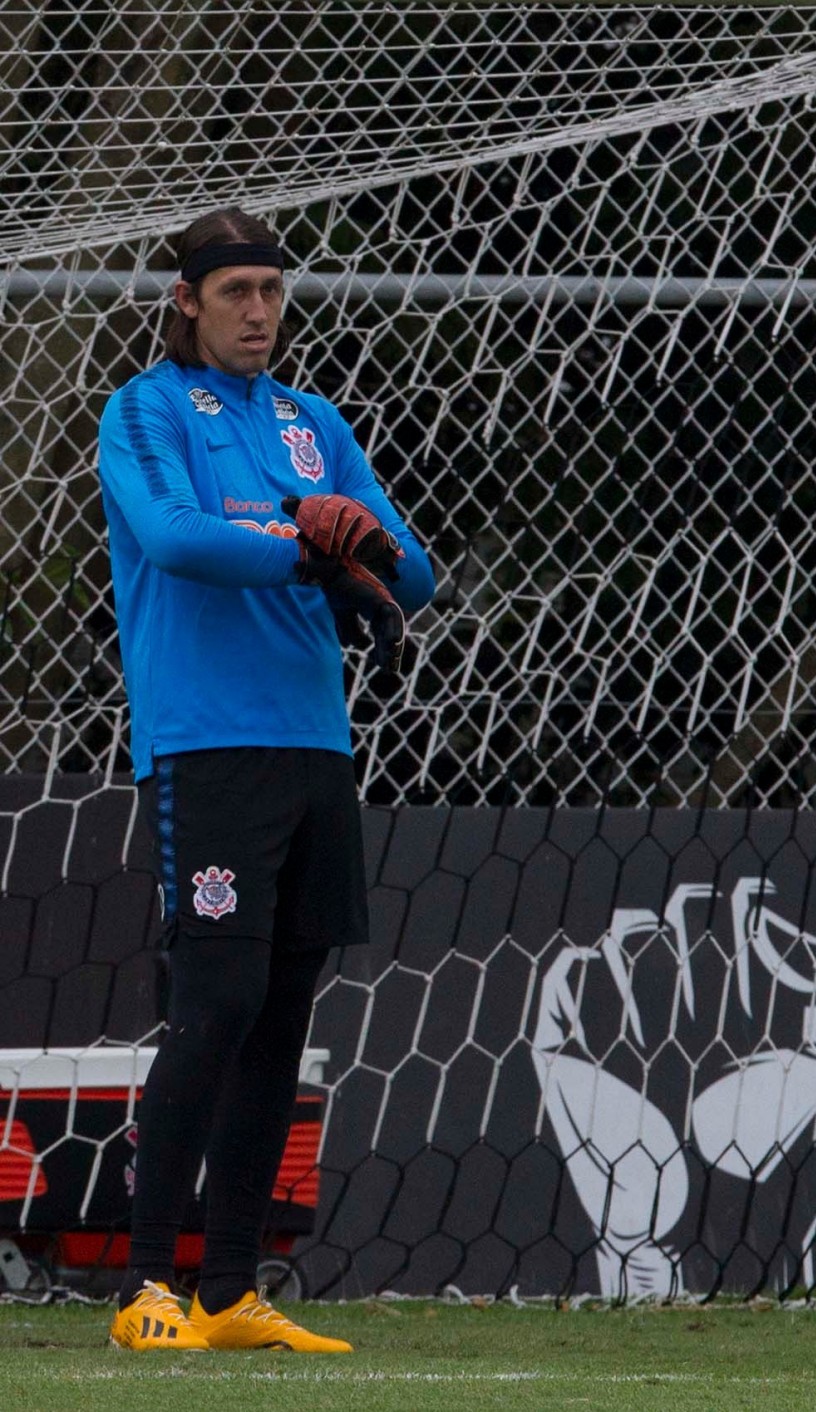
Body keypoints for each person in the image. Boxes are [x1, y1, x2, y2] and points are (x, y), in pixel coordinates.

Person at [97, 207, 435, 1352]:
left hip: (314, 748)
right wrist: (309, 545)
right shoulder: (144, 409)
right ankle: (145, 1285)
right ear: (187, 298)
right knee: (216, 1006)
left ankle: (230, 1291)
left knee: (282, 1014)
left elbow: (415, 567)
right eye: (235, 290)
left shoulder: (313, 421)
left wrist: (358, 545)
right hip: (207, 745)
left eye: (271, 292)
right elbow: (178, 535)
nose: (257, 311)